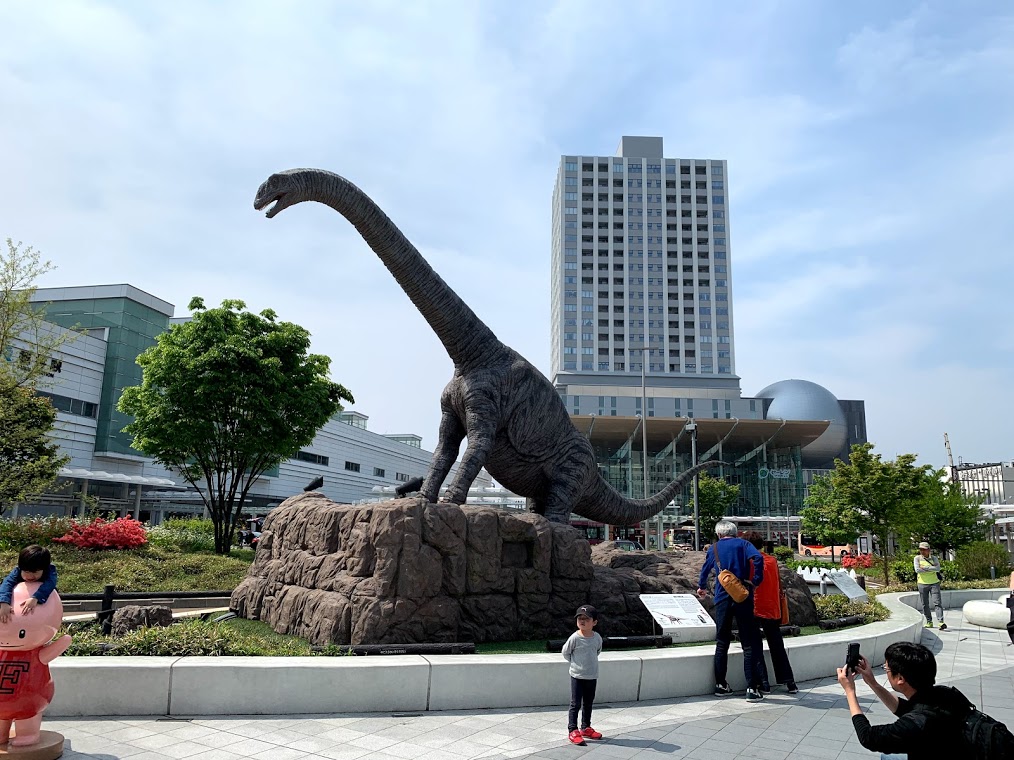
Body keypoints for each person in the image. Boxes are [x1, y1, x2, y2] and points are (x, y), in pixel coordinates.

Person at [838, 641, 972, 759]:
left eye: (886, 668)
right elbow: (904, 708)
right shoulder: (944, 694)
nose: (886, 672)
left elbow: (868, 737)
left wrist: (850, 691)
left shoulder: (915, 725)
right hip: (957, 751)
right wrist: (873, 683)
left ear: (900, 679)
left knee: (889, 757)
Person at [697, 520, 765, 702]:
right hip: (742, 597)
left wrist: (701, 587)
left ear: (719, 534)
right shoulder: (744, 544)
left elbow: (705, 569)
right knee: (748, 642)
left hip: (722, 598)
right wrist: (756, 580)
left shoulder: (715, 548)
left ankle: (720, 684)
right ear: (735, 532)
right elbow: (758, 558)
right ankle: (752, 687)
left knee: (722, 641)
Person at [744, 532, 798, 695]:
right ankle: (789, 682)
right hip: (772, 607)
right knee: (777, 645)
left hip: (755, 607)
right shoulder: (772, 561)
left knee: (755, 645)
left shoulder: (750, 561)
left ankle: (764, 683)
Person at [561, 604, 604, 746]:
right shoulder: (575, 637)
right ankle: (572, 730)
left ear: (595, 622)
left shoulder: (597, 637)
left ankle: (586, 727)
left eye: (586, 618)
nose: (582, 621)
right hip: (577, 676)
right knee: (575, 703)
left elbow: (597, 651)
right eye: (580, 618)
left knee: (588, 703)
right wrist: (575, 664)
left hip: (592, 676)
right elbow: (566, 652)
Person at [0, 545, 59, 624]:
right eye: (26, 572)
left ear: (44, 569)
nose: (29, 576)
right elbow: (7, 583)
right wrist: (4, 602)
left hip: (44, 606)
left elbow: (50, 584)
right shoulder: (18, 571)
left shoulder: (49, 571)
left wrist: (36, 598)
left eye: (34, 572)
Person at [914, 541, 946, 630]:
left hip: (934, 583)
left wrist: (924, 568)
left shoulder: (934, 558)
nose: (922, 551)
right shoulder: (917, 558)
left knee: (937, 602)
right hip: (922, 583)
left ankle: (941, 622)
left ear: (929, 550)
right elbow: (917, 570)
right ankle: (929, 621)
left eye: (924, 549)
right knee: (925, 604)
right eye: (920, 549)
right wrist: (932, 569)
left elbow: (938, 568)